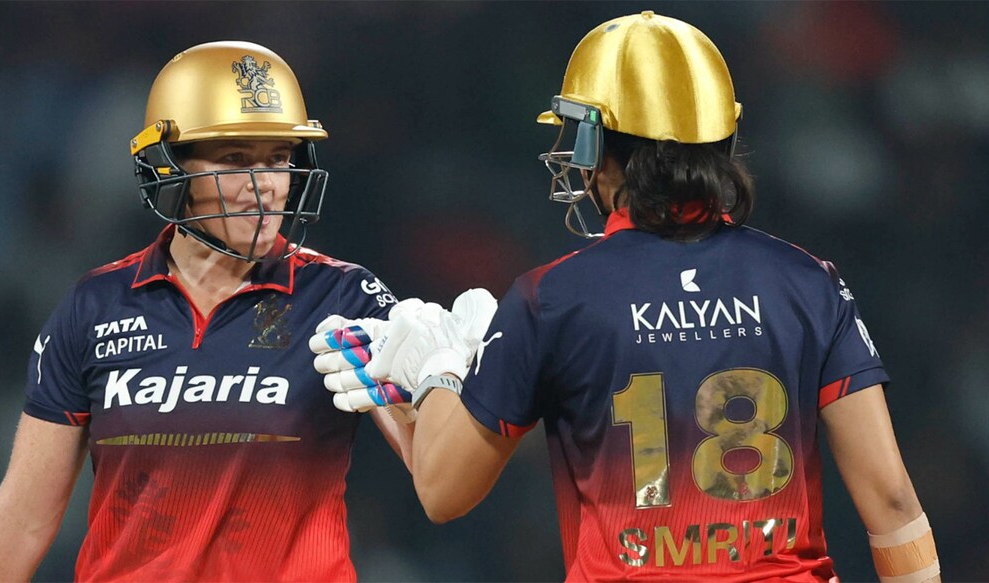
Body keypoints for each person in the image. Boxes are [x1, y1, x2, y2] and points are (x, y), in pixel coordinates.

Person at [312, 12, 940, 583]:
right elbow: (890, 504)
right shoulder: (808, 282)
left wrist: (439, 374)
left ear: (597, 149)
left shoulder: (550, 298)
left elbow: (443, 491)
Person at [0, 40, 415, 582]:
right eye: (235, 159)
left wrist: (446, 382)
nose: (263, 184)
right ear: (168, 168)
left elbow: (435, 476)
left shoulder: (343, 296)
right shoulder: (95, 306)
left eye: (279, 159)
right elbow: (24, 518)